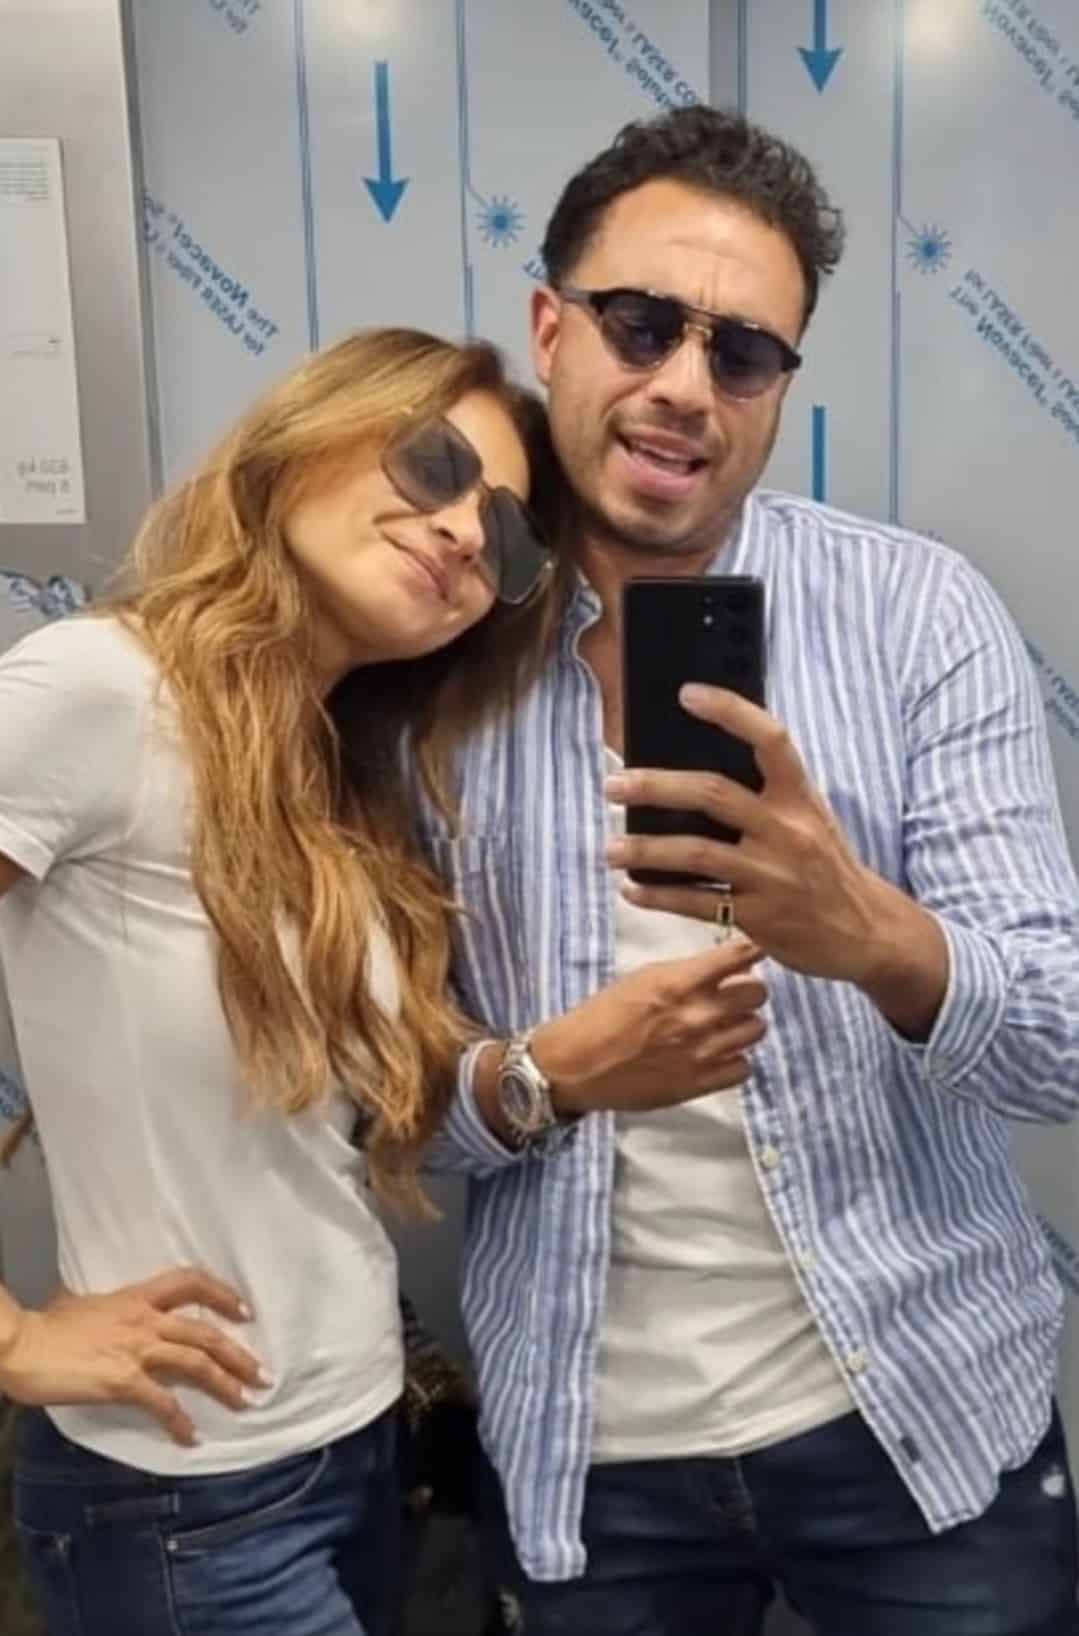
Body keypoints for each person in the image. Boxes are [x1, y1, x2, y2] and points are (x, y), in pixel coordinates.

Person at [402, 106, 1079, 1634]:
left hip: (920, 1418)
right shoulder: (423, 649)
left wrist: (877, 938)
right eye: (641, 324)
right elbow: (366, 1095)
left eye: (745, 352)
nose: (685, 388)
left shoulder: (917, 615)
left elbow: (1060, 1043)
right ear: (551, 328)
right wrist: (545, 1078)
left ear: (780, 384)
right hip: (587, 1454)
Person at [0, 325, 554, 1636]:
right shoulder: (101, 689)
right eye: (436, 464)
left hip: (353, 1447)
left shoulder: (336, 774)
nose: (466, 532)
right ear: (311, 432)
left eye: (509, 535)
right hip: (183, 1494)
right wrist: (15, 1345)